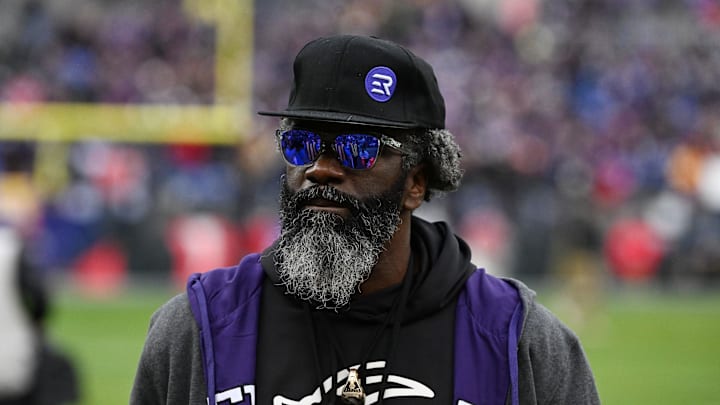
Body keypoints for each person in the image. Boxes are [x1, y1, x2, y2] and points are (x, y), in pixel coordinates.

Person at [131, 35, 600, 405]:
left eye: (358, 148)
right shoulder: (198, 329)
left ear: (416, 183)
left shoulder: (520, 340)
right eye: (303, 144)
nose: (322, 168)